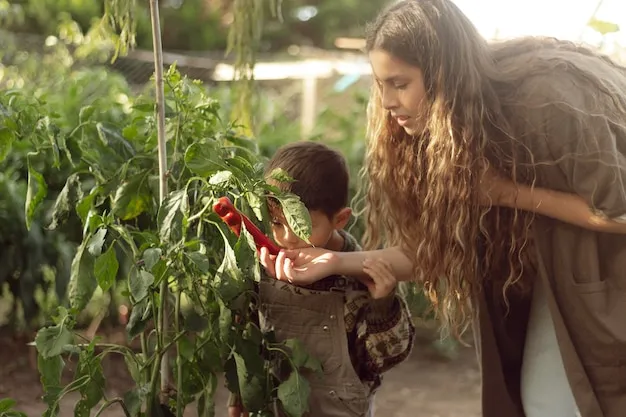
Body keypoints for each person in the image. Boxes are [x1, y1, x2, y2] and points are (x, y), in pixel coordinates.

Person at [259, 1, 626, 417]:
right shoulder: (433, 132)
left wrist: (505, 193)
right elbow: (423, 252)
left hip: (606, 277)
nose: (387, 102)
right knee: (540, 399)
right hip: (552, 278)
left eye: (399, 83)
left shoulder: (548, 102)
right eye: (381, 84)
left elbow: (617, 212)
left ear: (444, 76)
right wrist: (334, 262)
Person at [228, 141, 416, 417]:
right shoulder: (264, 263)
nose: (287, 238)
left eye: (303, 226)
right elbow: (249, 335)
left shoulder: (359, 276)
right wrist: (240, 394)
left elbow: (381, 360)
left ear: (339, 220)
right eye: (277, 223)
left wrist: (382, 304)